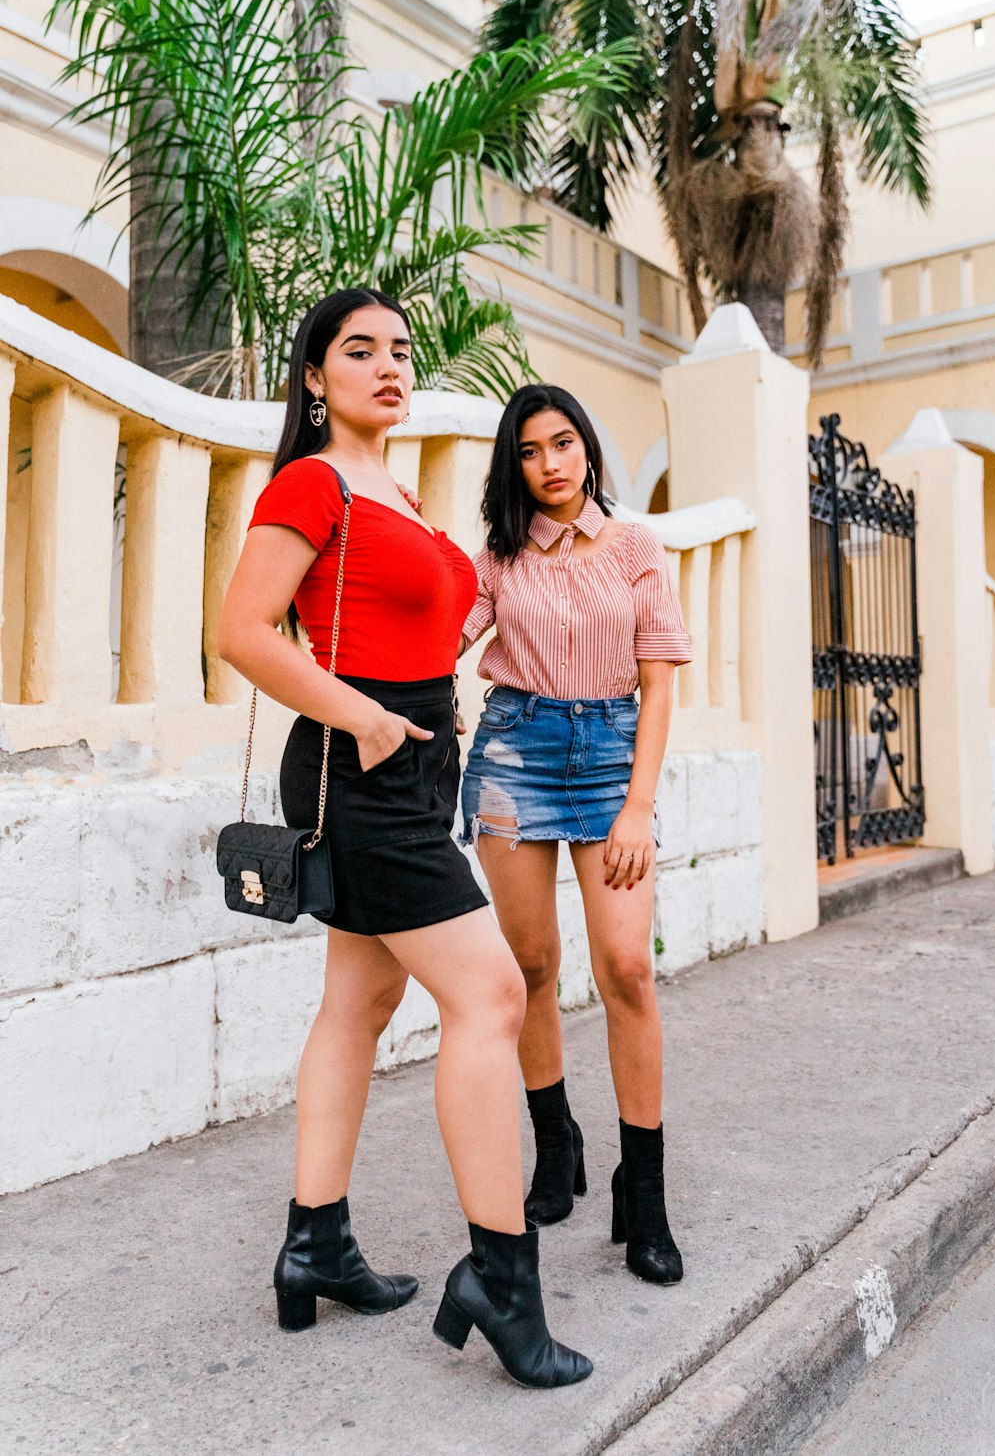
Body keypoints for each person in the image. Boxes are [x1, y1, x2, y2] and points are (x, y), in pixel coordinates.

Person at [218, 292, 591, 1387]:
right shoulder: (313, 481)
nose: (387, 367)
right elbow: (239, 630)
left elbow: (446, 616)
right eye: (357, 351)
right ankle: (499, 1277)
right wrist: (369, 719)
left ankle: (314, 1242)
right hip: (362, 761)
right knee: (489, 997)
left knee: (359, 1001)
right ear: (313, 377)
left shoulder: (403, 493)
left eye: (399, 353)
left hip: (412, 763)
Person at [458, 384, 692, 1284]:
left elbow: (660, 680)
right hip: (514, 753)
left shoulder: (635, 546)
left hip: (608, 760)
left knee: (627, 967)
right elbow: (444, 637)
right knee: (531, 968)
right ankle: (556, 1147)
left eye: (563, 444)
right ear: (512, 465)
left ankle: (647, 1190)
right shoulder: (499, 555)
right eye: (529, 450)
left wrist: (638, 805)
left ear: (587, 450)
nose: (550, 464)